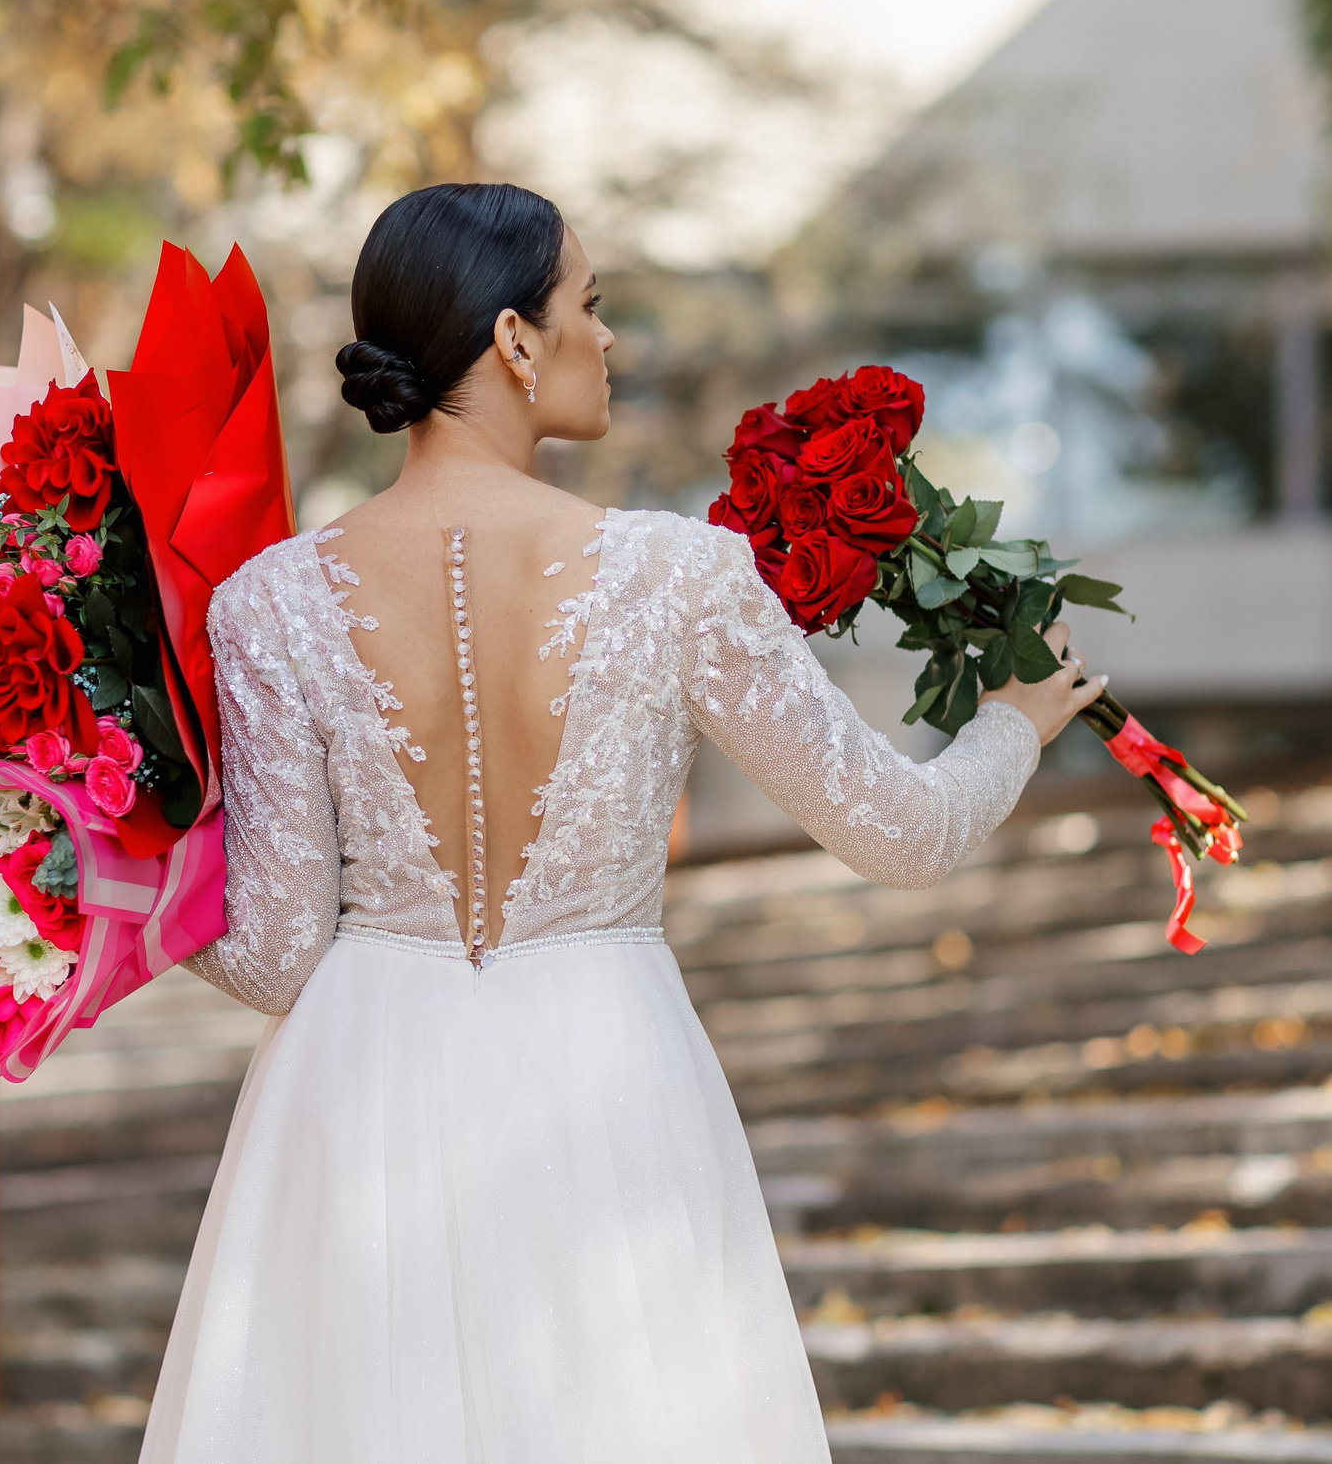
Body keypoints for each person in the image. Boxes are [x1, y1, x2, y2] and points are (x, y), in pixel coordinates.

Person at [141, 182, 1101, 1462]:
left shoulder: (266, 604)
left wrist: (103, 857)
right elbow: (902, 836)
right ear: (513, 341)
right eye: (588, 305)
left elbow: (268, 954)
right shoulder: (680, 577)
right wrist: (1013, 723)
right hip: (603, 1075)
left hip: (353, 1091)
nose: (609, 338)